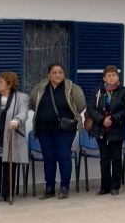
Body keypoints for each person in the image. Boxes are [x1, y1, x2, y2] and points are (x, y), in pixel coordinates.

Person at [30, 63, 86, 199]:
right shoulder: (40, 88)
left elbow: (81, 105)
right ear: (48, 75)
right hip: (44, 130)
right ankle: (49, 187)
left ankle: (64, 186)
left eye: (60, 72)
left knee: (63, 156)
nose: (57, 75)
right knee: (49, 158)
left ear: (64, 74)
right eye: (54, 73)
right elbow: (32, 103)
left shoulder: (72, 88)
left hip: (65, 130)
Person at [87, 66, 125, 196]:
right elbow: (91, 109)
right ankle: (104, 187)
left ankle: (115, 186)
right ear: (104, 78)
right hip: (101, 129)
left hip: (117, 129)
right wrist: (102, 120)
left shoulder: (124, 91)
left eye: (114, 75)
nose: (111, 77)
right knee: (104, 159)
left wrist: (112, 118)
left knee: (116, 158)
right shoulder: (98, 91)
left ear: (118, 77)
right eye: (109, 75)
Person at [0, 72, 29, 202]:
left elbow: (23, 113)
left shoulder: (22, 97)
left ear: (9, 84)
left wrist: (16, 120)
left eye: (0, 82)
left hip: (11, 135)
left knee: (9, 164)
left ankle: (8, 193)